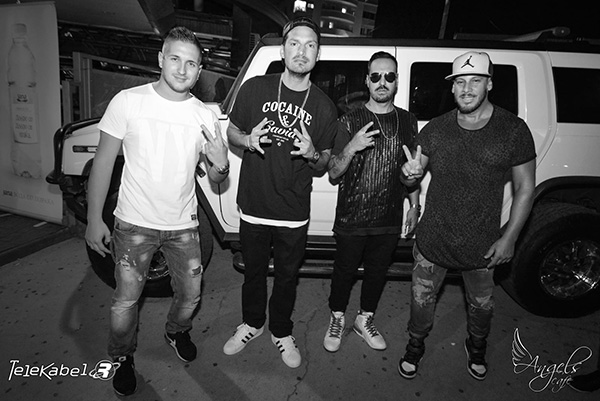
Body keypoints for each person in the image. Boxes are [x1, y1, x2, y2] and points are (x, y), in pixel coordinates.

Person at [85, 26, 229, 396]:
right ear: (161, 59)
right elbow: (103, 163)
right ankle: (122, 356)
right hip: (133, 225)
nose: (182, 69)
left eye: (191, 63)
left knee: (191, 295)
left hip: (184, 226)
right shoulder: (128, 102)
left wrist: (221, 162)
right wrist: (93, 218)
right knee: (125, 301)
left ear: (200, 71)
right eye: (175, 59)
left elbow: (216, 178)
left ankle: (176, 332)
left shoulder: (204, 115)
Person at [397, 51, 536, 381]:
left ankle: (476, 345)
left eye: (475, 80)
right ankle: (416, 343)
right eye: (460, 81)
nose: (467, 89)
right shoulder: (436, 128)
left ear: (490, 84)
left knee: (482, 308)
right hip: (433, 240)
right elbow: (410, 176)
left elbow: (525, 188)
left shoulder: (513, 130)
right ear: (452, 86)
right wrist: (408, 175)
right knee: (421, 302)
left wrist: (510, 238)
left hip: (482, 246)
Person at [223, 17, 337, 369]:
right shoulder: (255, 88)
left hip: (293, 211)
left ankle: (281, 331)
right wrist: (246, 140)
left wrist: (312, 154)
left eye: (310, 45)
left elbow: (325, 162)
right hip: (254, 204)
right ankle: (252, 323)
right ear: (283, 50)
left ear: (317, 55)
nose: (301, 51)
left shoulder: (324, 106)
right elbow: (231, 131)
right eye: (294, 43)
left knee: (288, 277)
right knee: (253, 272)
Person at [323, 51, 420, 353]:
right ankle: (337, 317)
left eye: (389, 76)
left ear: (396, 81)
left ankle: (364, 319)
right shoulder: (349, 120)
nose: (382, 82)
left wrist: (415, 204)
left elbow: (410, 169)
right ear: (367, 80)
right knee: (344, 273)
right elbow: (333, 173)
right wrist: (351, 147)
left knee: (378, 273)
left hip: (388, 216)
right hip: (352, 216)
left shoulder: (408, 120)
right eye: (376, 76)